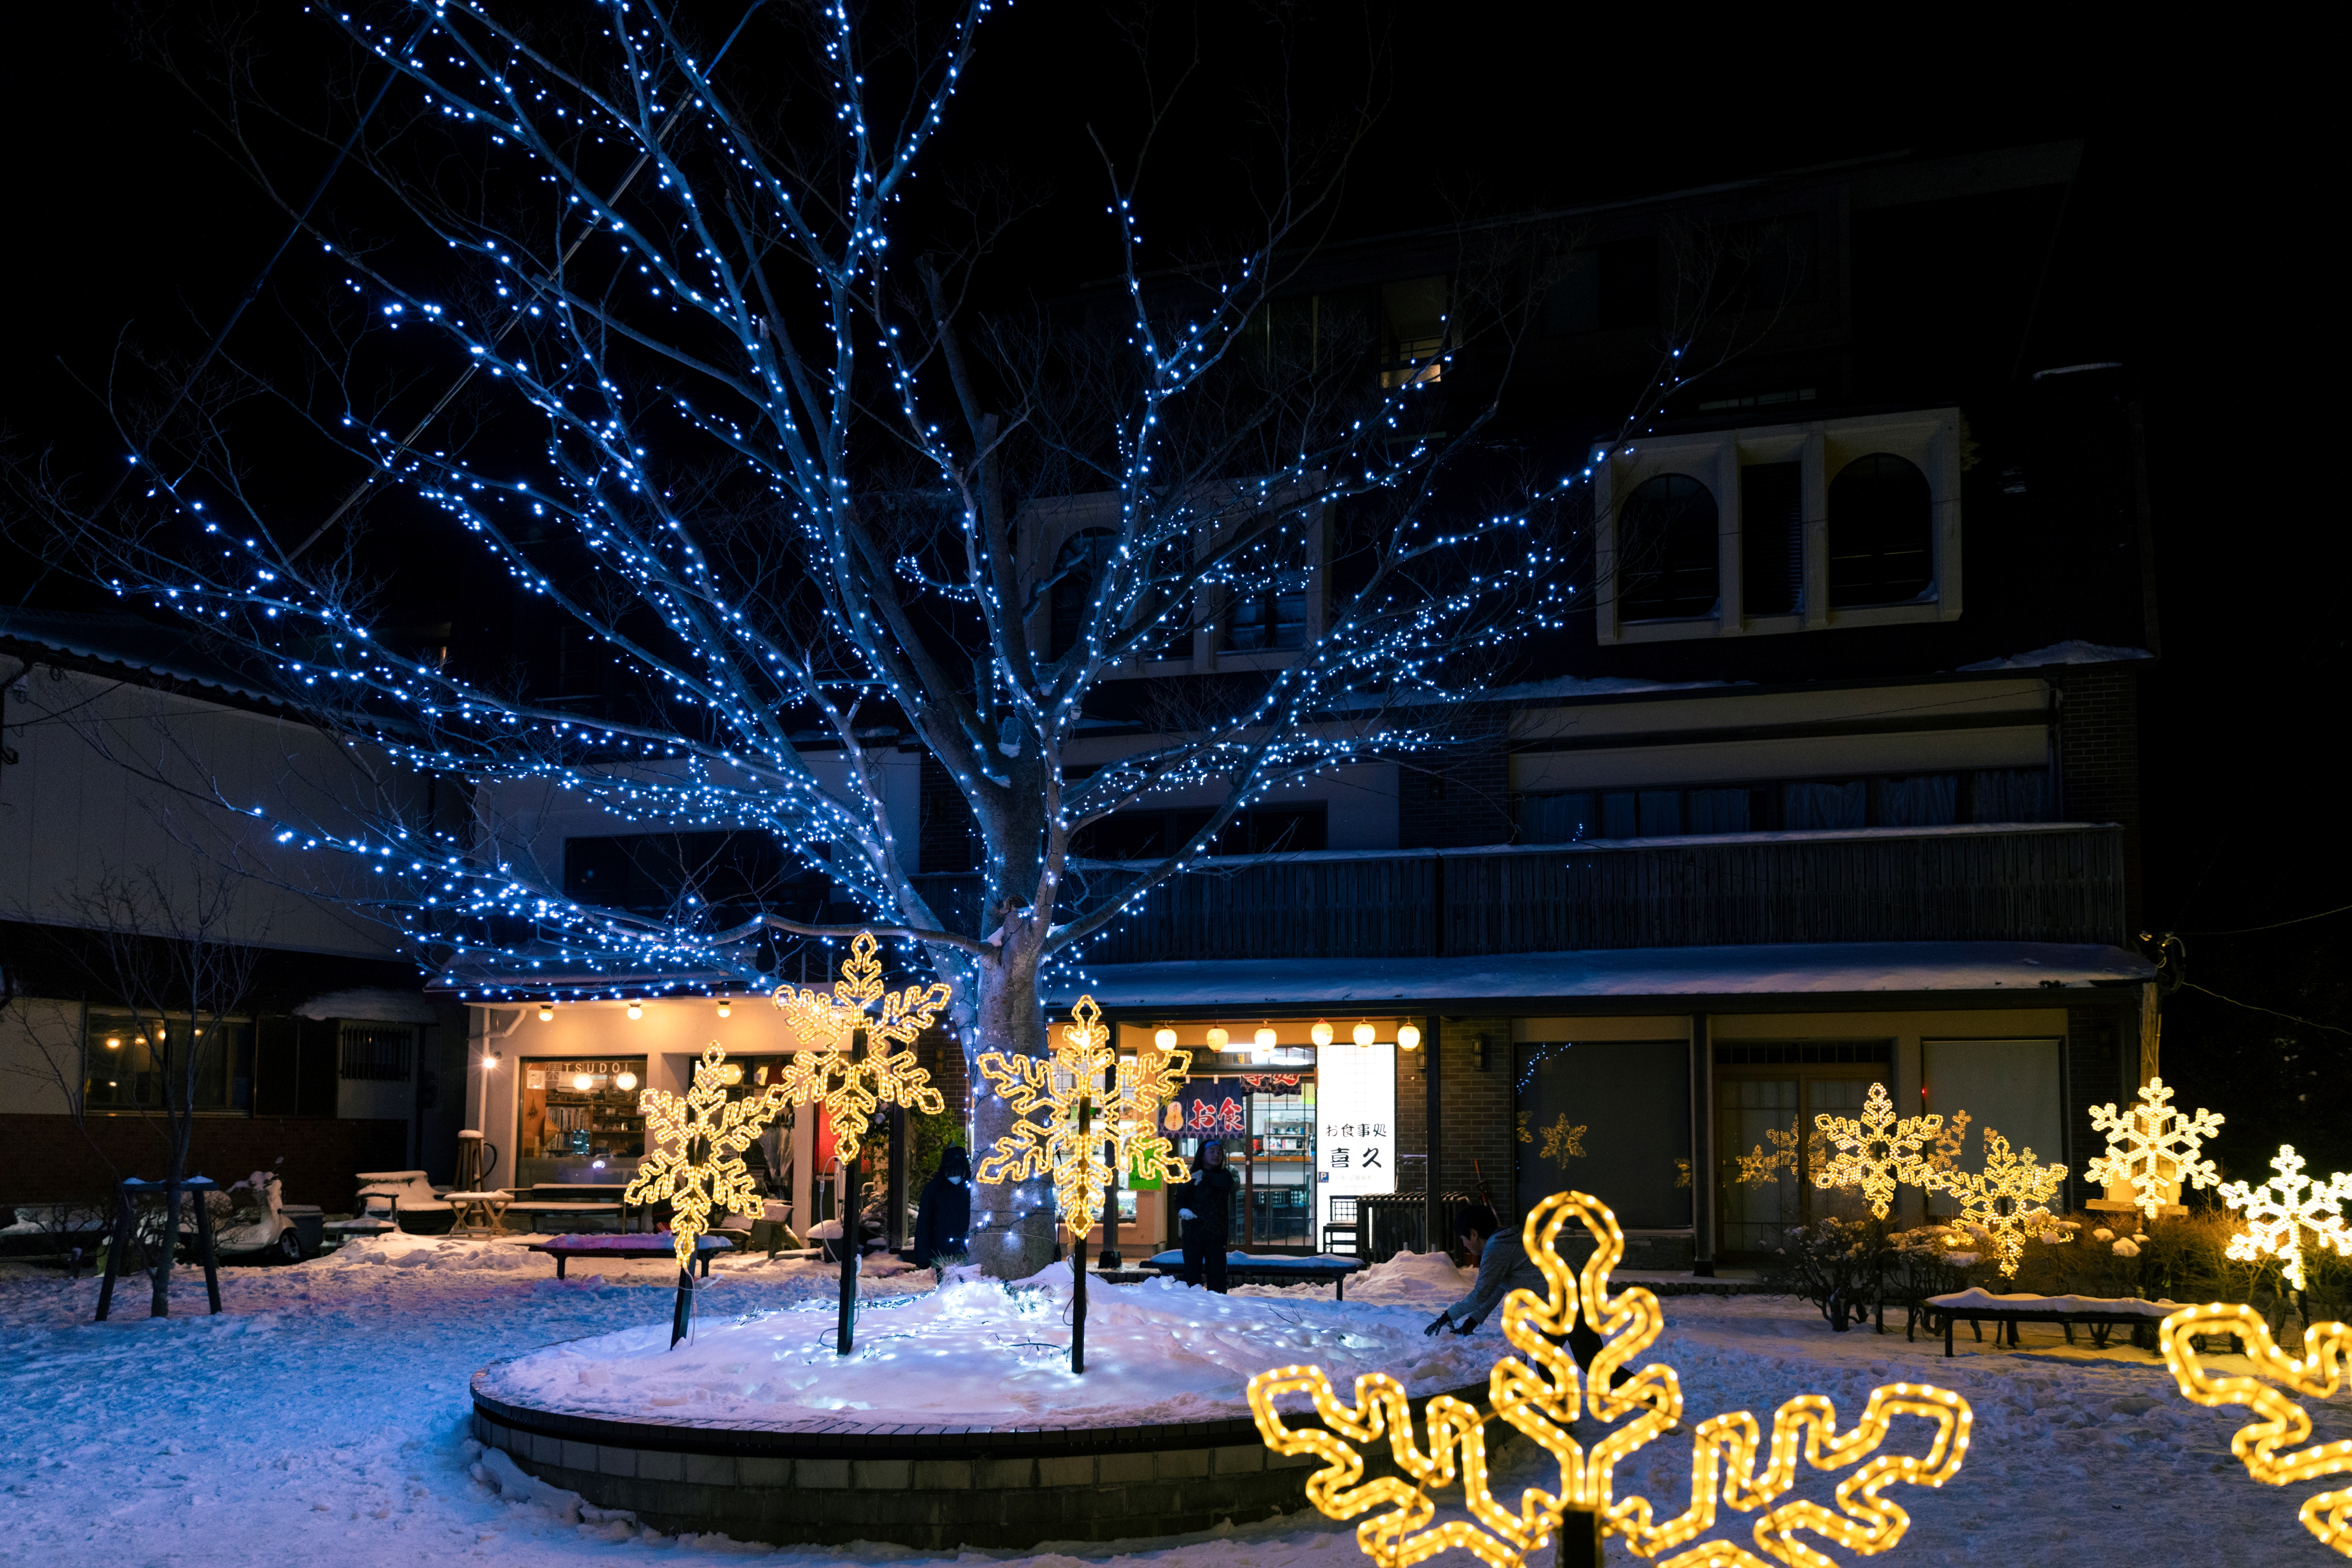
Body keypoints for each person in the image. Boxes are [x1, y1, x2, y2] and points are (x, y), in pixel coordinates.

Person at [1423, 1202, 1614, 1382]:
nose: (1464, 1244)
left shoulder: (1496, 1249)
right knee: (1552, 1361)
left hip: (1568, 1296)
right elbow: (1498, 1286)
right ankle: (1561, 1416)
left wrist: (1447, 1316)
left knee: (1589, 1362)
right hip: (1573, 1290)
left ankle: (1643, 1397)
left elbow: (1481, 1293)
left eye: (1463, 1239)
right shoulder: (1505, 1241)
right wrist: (1474, 1320)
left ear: (1473, 1234)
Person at [1174, 1140, 1238, 1292]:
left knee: (1217, 1275)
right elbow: (1179, 1199)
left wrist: (1206, 1175)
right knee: (1191, 1274)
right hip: (1193, 1233)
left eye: (1219, 1152)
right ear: (1202, 1156)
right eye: (1212, 1152)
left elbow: (1227, 1184)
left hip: (1216, 1233)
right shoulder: (1191, 1175)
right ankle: (1192, 1305)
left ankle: (1217, 1307)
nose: (1217, 1155)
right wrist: (1183, 1210)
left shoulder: (1224, 1175)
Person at [911, 1146, 972, 1269]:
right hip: (967, 1252)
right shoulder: (972, 1186)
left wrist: (922, 1255)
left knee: (946, 1287)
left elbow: (924, 1224)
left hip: (942, 1252)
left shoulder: (934, 1189)